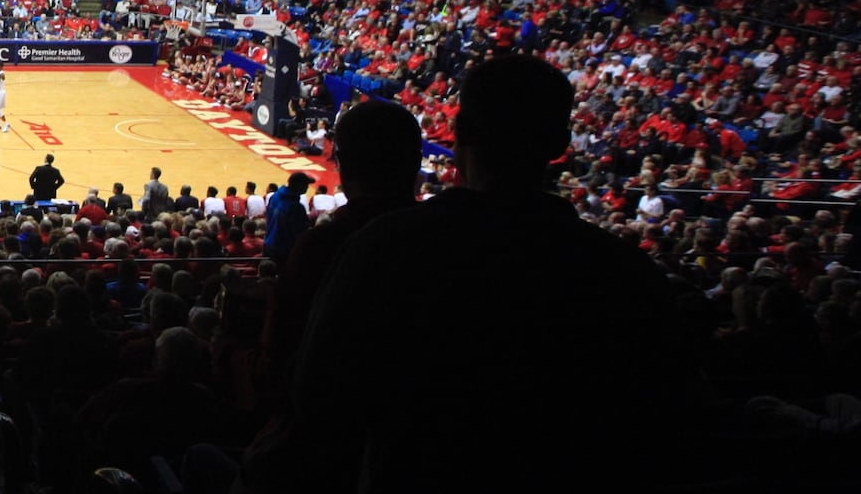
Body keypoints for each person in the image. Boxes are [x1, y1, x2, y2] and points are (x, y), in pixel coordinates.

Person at [258, 55, 694, 493]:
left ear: (460, 134)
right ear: (561, 144)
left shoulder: (381, 246)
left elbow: (314, 394)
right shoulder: (627, 274)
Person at [257, 100, 424, 396]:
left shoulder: (323, 244)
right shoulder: (445, 239)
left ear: (341, 162)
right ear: (416, 162)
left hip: (329, 411)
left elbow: (281, 350)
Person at [263, 174, 313, 263]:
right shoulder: (296, 207)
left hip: (268, 244)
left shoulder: (275, 196)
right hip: (284, 250)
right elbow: (300, 233)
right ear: (299, 186)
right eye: (305, 184)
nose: (307, 187)